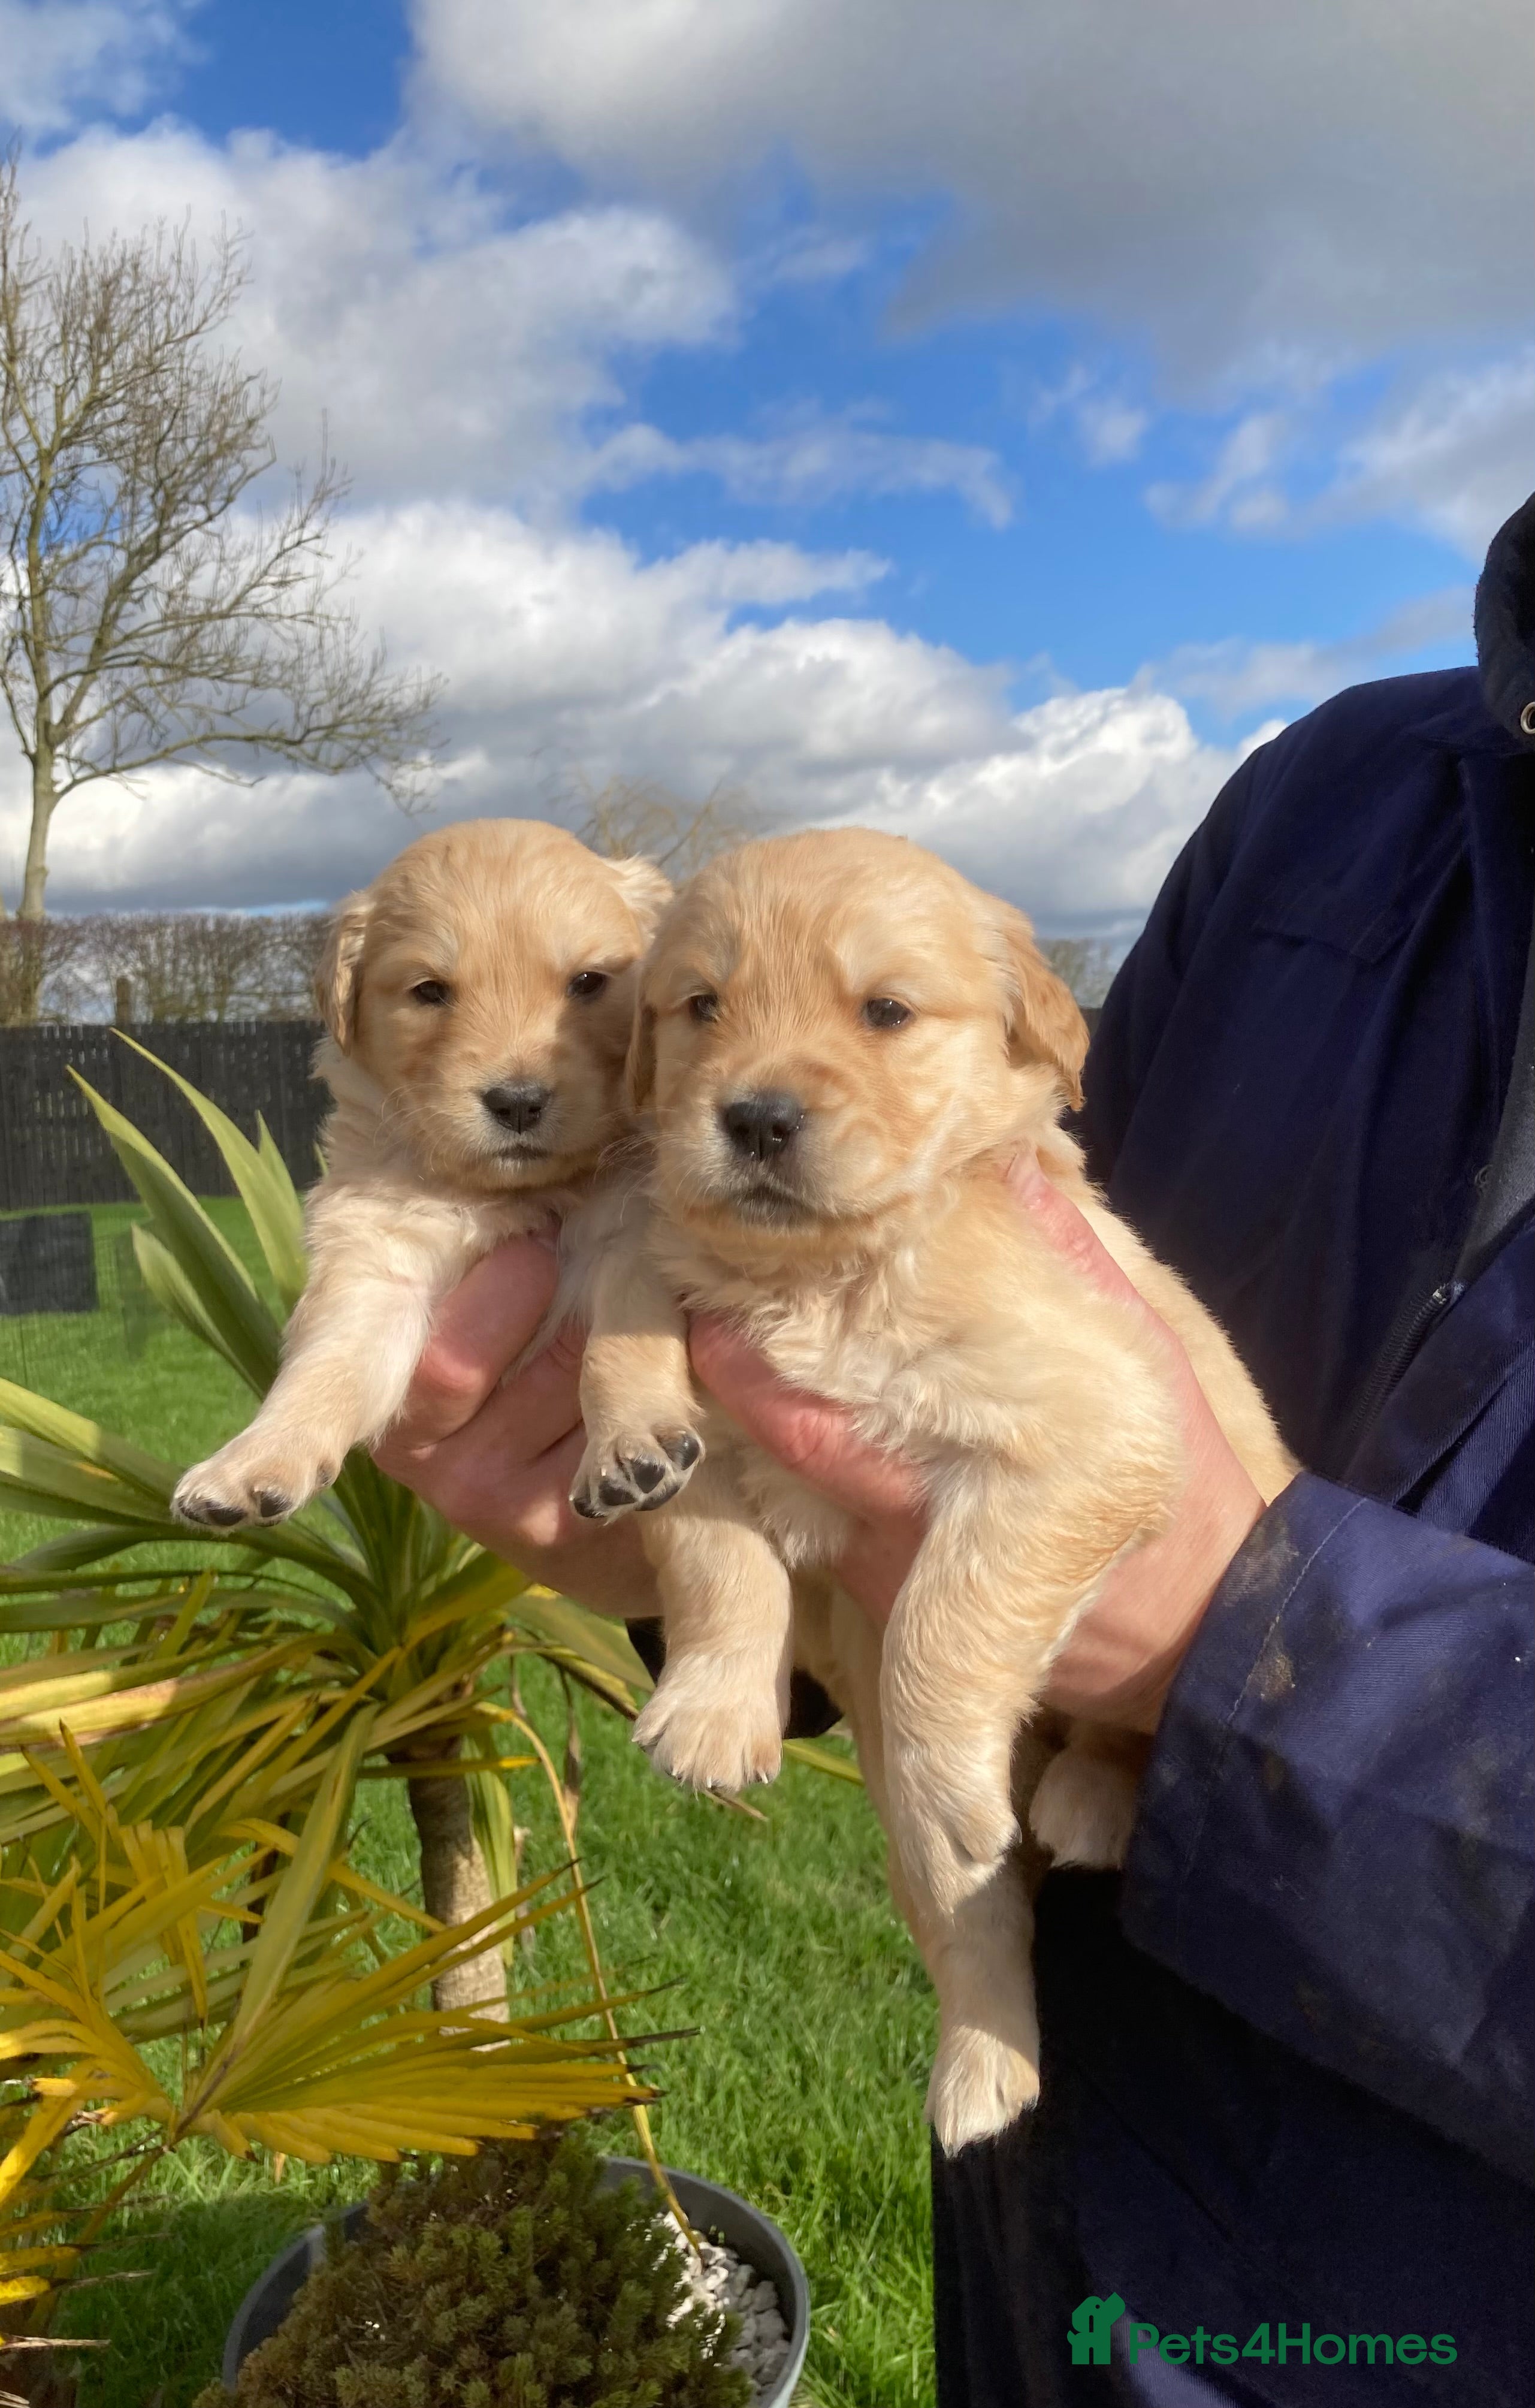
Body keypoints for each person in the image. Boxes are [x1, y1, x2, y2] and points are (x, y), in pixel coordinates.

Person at [374, 498, 1535, 2405]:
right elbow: (1025, 1296)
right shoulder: (1330, 799)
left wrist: (1231, 1654)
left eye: (878, 1012)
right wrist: (694, 1566)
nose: (761, 1078)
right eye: (702, 1014)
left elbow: (1085, 1431)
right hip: (1062, 2198)